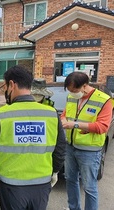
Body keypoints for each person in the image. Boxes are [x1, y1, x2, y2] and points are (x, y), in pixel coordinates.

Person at [0, 65, 66, 210]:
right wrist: (54, 172)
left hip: (13, 188)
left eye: (5, 87)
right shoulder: (51, 114)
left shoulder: (2, 115)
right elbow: (60, 148)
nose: (6, 91)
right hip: (41, 185)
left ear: (12, 85)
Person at [61, 72, 113, 210]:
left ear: (85, 86)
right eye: (69, 91)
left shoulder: (105, 100)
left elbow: (103, 126)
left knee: (89, 187)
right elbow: (65, 115)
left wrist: (75, 124)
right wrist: (63, 120)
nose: (72, 93)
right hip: (70, 147)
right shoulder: (71, 97)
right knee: (70, 181)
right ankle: (73, 208)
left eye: (74, 90)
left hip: (89, 151)